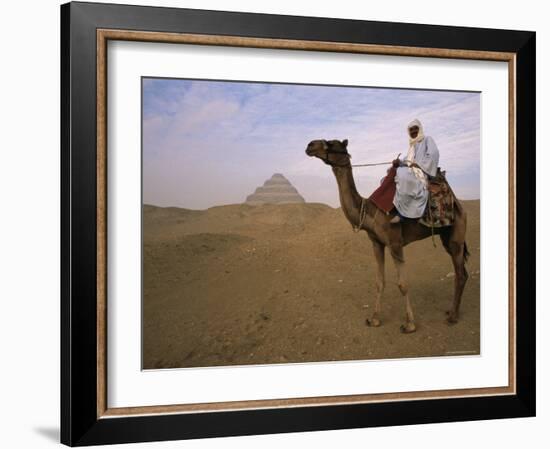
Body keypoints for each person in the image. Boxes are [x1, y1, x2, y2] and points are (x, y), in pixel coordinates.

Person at [389, 119, 440, 224]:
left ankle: (402, 215)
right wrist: (398, 162)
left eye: (415, 129)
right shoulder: (412, 146)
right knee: (392, 172)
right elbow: (407, 161)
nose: (413, 132)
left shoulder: (427, 139)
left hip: (422, 172)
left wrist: (420, 165)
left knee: (403, 177)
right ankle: (392, 206)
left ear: (420, 128)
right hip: (411, 170)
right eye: (411, 130)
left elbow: (434, 154)